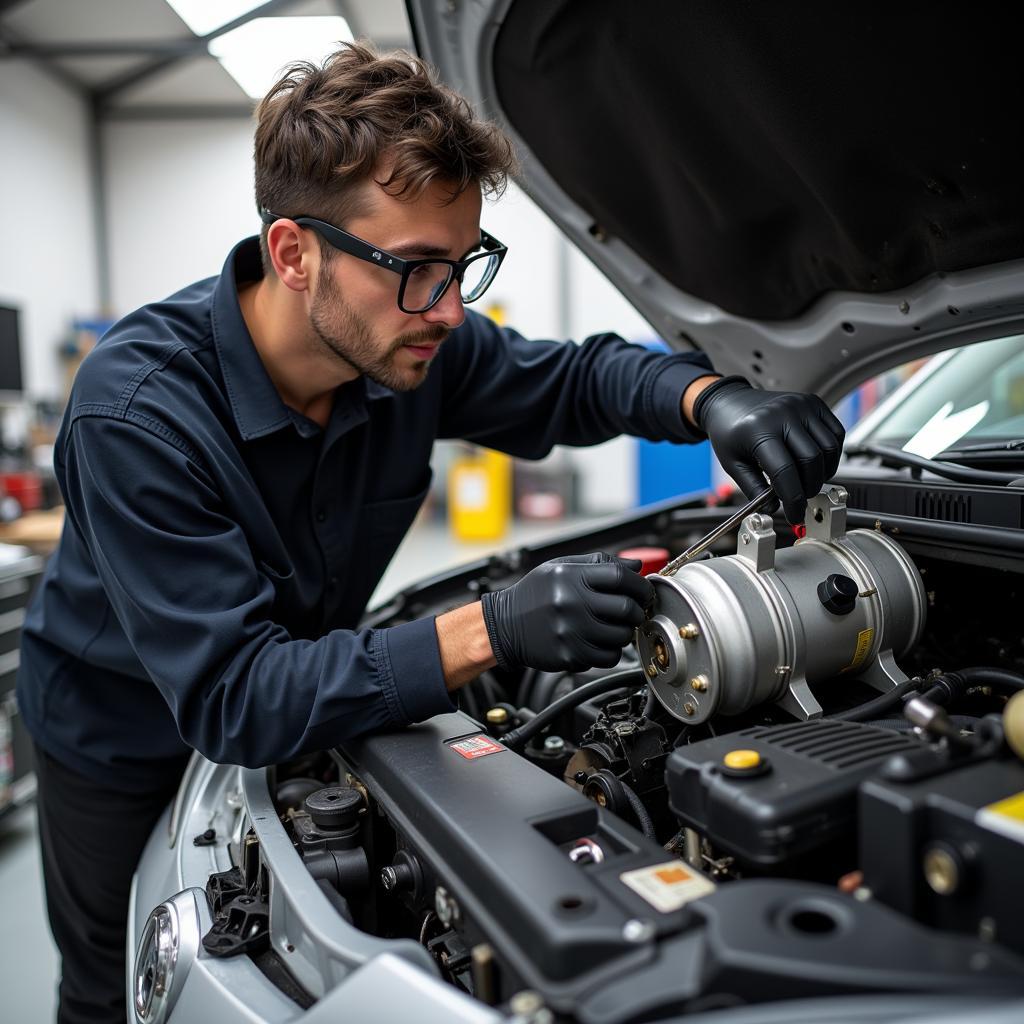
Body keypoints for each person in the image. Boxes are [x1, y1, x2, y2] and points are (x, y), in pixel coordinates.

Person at [16, 43, 844, 1024]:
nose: (450, 310)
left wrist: (709, 397)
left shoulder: (404, 342)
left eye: (463, 265)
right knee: (116, 988)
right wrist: (491, 629)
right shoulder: (139, 410)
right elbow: (234, 694)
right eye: (415, 270)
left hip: (306, 680)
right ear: (294, 253)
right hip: (119, 733)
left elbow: (572, 377)